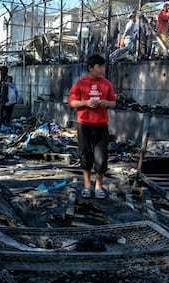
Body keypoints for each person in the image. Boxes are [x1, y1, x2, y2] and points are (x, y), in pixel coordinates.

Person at [68, 54, 116, 199]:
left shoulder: (107, 84)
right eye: (99, 66)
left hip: (101, 127)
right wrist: (86, 103)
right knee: (85, 156)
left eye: (103, 66)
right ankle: (87, 185)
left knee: (101, 159)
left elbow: (113, 103)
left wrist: (106, 103)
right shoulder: (80, 84)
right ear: (90, 68)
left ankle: (99, 185)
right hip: (84, 126)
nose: (102, 69)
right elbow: (72, 102)